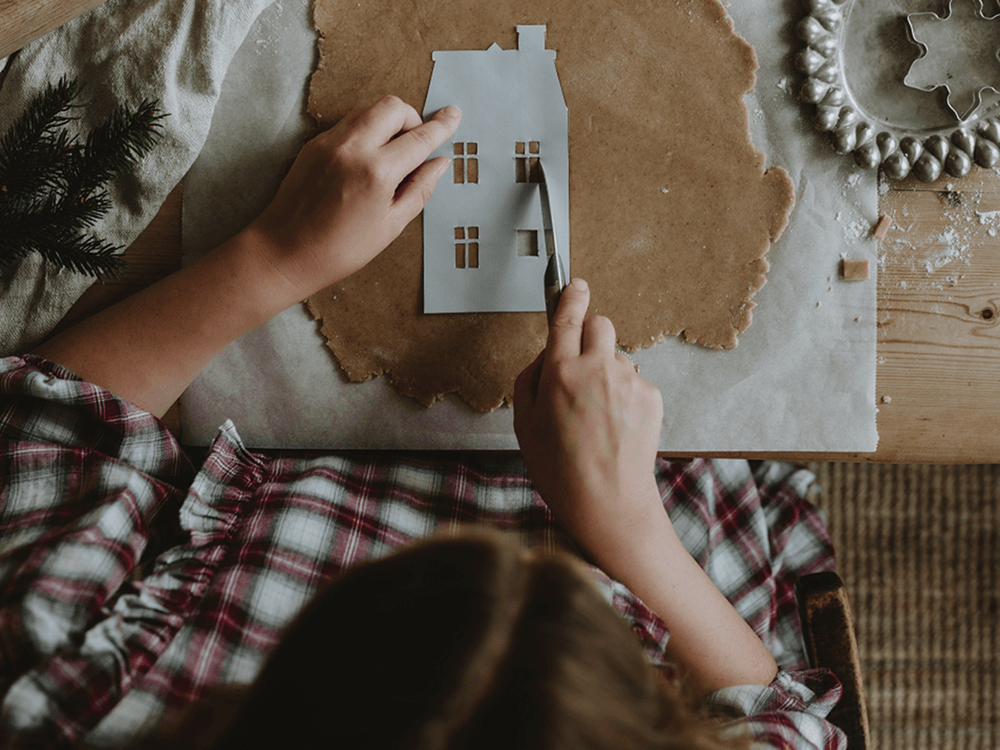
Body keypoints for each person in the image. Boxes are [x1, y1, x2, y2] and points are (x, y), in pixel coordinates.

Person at [0, 98, 845, 747]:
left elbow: (43, 431)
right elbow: (791, 730)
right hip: (669, 490)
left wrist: (275, 257)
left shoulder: (80, 713)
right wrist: (630, 531)